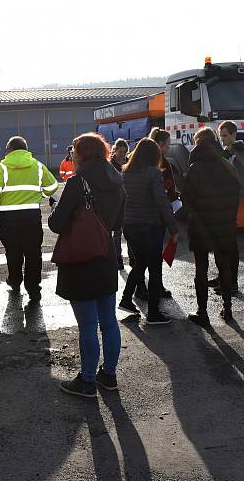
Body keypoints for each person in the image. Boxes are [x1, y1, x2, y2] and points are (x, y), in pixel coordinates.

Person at [48, 132, 126, 398]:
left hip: (80, 261)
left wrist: (54, 210)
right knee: (108, 322)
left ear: (80, 155)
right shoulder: (118, 179)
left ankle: (87, 380)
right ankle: (109, 375)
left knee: (87, 326)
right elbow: (116, 224)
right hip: (105, 257)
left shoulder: (77, 183)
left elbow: (57, 224)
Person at [0, 136, 58, 302]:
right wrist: (40, 192)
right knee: (33, 254)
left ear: (8, 150)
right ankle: (33, 288)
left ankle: (15, 281)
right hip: (31, 218)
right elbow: (52, 187)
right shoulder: (38, 166)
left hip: (8, 219)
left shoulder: (2, 167)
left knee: (13, 253)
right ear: (25, 149)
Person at [183, 127, 241, 327]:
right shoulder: (227, 165)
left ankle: (203, 312)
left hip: (201, 226)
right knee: (223, 266)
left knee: (201, 269)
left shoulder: (195, 168)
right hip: (224, 225)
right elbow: (236, 196)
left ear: (198, 143)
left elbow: (187, 199)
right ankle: (227, 308)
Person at [118, 138, 179, 324]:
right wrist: (173, 227)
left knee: (140, 263)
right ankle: (153, 313)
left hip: (129, 226)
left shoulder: (125, 172)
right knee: (154, 267)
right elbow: (161, 201)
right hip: (149, 226)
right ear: (154, 156)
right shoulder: (153, 173)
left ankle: (126, 300)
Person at [129, 127, 178, 299]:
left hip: (131, 223)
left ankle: (131, 296)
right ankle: (152, 305)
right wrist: (173, 225)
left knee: (140, 260)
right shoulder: (155, 168)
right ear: (160, 145)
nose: (168, 148)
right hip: (151, 220)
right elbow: (161, 197)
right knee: (152, 260)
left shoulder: (128, 168)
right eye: (167, 144)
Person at [214, 120, 244, 296]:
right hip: (224, 202)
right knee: (223, 241)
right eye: (221, 136)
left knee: (229, 243)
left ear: (234, 134)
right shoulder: (229, 152)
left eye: (225, 136)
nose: (223, 140)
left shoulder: (240, 155)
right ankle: (223, 277)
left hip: (230, 203)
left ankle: (232, 281)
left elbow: (236, 180)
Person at [110, 138, 130, 270]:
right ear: (115, 150)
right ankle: (118, 259)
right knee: (117, 234)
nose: (123, 155)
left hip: (128, 202)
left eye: (125, 152)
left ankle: (132, 257)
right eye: (121, 152)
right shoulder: (110, 165)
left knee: (129, 233)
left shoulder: (129, 162)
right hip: (116, 203)